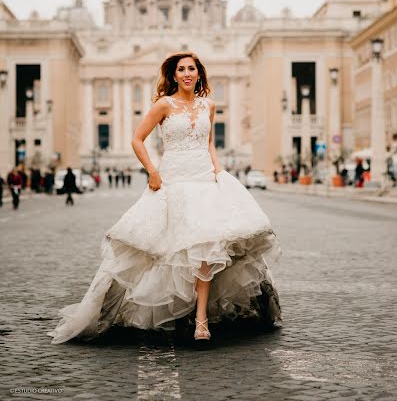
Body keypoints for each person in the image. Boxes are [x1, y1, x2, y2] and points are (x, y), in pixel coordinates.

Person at [48, 52, 282, 345]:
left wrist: (219, 171)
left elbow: (208, 143)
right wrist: (152, 171)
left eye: (191, 69)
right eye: (181, 69)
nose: (187, 73)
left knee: (207, 250)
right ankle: (171, 311)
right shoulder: (163, 105)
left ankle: (201, 319)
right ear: (173, 75)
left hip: (204, 179)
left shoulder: (209, 104)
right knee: (166, 249)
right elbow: (137, 139)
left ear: (199, 74)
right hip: (173, 179)